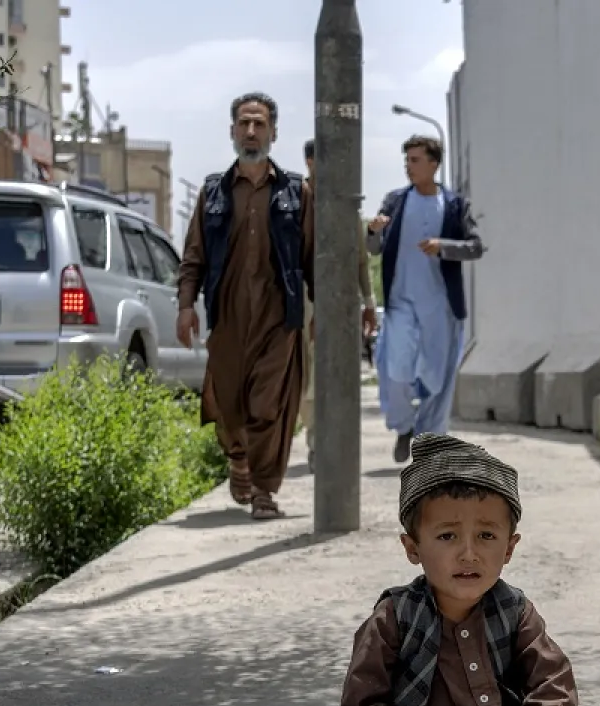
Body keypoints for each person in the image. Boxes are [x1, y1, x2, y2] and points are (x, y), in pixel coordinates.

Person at [296, 433, 600, 706]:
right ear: (412, 548)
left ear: (510, 547)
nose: (468, 554)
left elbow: (554, 688)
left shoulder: (514, 611)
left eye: (485, 536)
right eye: (446, 537)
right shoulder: (393, 618)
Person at [177, 92, 314, 520]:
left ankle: (263, 492)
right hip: (229, 313)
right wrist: (186, 305)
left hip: (279, 316)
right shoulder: (214, 190)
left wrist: (322, 317)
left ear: (273, 132)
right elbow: (194, 254)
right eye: (244, 123)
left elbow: (311, 257)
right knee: (228, 403)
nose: (251, 131)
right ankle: (237, 457)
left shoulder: (296, 190)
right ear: (232, 130)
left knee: (269, 406)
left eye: (259, 124)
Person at [367, 136, 484, 464]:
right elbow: (372, 249)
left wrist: (444, 246)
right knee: (396, 370)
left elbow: (475, 246)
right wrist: (373, 232)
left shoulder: (455, 205)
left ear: (434, 164)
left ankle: (429, 440)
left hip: (440, 304)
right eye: (407, 160)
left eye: (416, 160)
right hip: (401, 302)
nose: (409, 166)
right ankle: (404, 427)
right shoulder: (394, 202)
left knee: (437, 377)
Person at [301, 137, 379, 474]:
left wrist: (369, 303)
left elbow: (360, 259)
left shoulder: (348, 205)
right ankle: (317, 442)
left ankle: (335, 444)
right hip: (303, 300)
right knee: (308, 377)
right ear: (310, 163)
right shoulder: (294, 200)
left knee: (340, 373)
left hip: (343, 301)